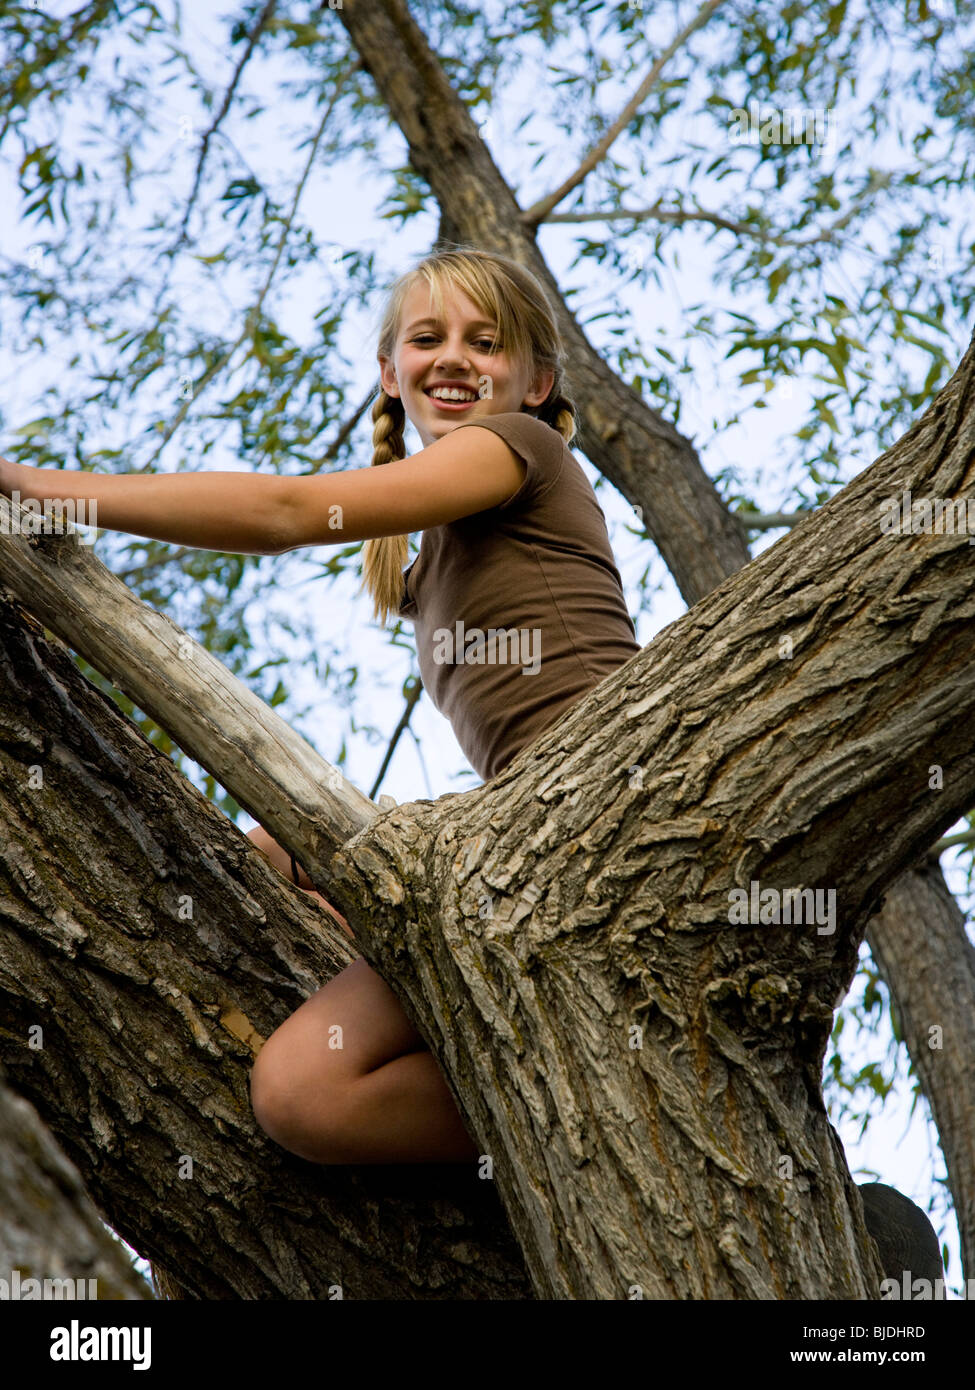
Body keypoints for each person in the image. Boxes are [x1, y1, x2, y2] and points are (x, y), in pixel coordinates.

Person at [0, 245, 642, 1165]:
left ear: (537, 382)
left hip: (585, 806)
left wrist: (41, 487)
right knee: (260, 862)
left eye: (485, 342)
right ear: (390, 371)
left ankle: (585, 1101)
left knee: (306, 1092)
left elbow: (287, 511)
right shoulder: (429, 560)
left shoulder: (522, 450)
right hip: (519, 818)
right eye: (427, 338)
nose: (453, 357)